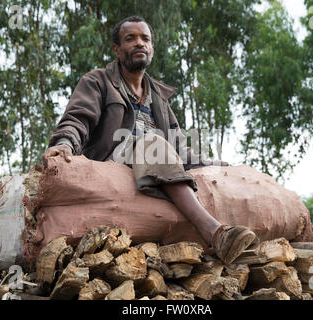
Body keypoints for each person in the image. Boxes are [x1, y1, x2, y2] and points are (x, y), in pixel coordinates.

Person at [42, 16, 258, 265]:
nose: (139, 43)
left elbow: (178, 146)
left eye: (145, 39)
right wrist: (64, 144)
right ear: (117, 49)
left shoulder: (159, 97)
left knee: (208, 171)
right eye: (130, 38)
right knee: (152, 142)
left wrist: (214, 164)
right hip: (114, 164)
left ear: (152, 48)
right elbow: (77, 120)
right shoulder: (98, 82)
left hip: (157, 167)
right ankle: (215, 233)